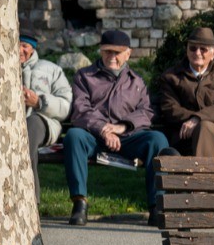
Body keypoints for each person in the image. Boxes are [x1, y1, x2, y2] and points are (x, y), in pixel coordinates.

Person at [64, 30, 169, 226]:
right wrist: (104, 128)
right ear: (101, 51)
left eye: (117, 53)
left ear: (128, 54)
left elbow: (146, 112)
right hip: (93, 137)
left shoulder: (136, 81)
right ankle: (79, 203)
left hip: (127, 138)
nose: (112, 57)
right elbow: (81, 108)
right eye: (107, 52)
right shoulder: (84, 76)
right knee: (73, 136)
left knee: (157, 140)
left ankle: (156, 206)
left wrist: (121, 127)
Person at [157, 27, 214, 157]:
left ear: (213, 53)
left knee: (207, 128)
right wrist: (205, 121)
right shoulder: (171, 77)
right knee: (205, 127)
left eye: (203, 49)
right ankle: (210, 176)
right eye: (192, 48)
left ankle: (205, 176)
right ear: (187, 50)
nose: (197, 53)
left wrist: (199, 119)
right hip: (186, 137)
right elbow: (171, 109)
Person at [20, 31, 73, 203]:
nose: (19, 50)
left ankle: (31, 202)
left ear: (33, 48)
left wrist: (39, 102)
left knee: (28, 133)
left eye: (24, 45)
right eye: (15, 44)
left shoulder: (51, 69)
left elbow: (65, 107)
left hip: (43, 122)